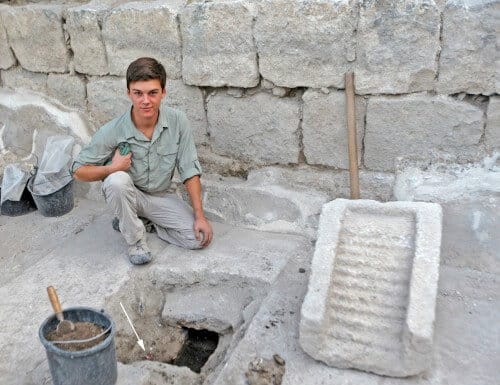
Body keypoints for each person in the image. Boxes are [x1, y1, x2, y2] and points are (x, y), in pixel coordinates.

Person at [72, 57, 213, 265]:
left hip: (161, 196)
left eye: (152, 93)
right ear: (129, 93)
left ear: (163, 92)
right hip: (130, 194)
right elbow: (78, 171)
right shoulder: (114, 129)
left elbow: (189, 170)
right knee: (116, 180)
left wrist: (200, 216)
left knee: (198, 239)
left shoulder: (178, 121)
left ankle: (142, 222)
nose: (145, 101)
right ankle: (135, 240)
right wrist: (113, 168)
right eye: (138, 93)